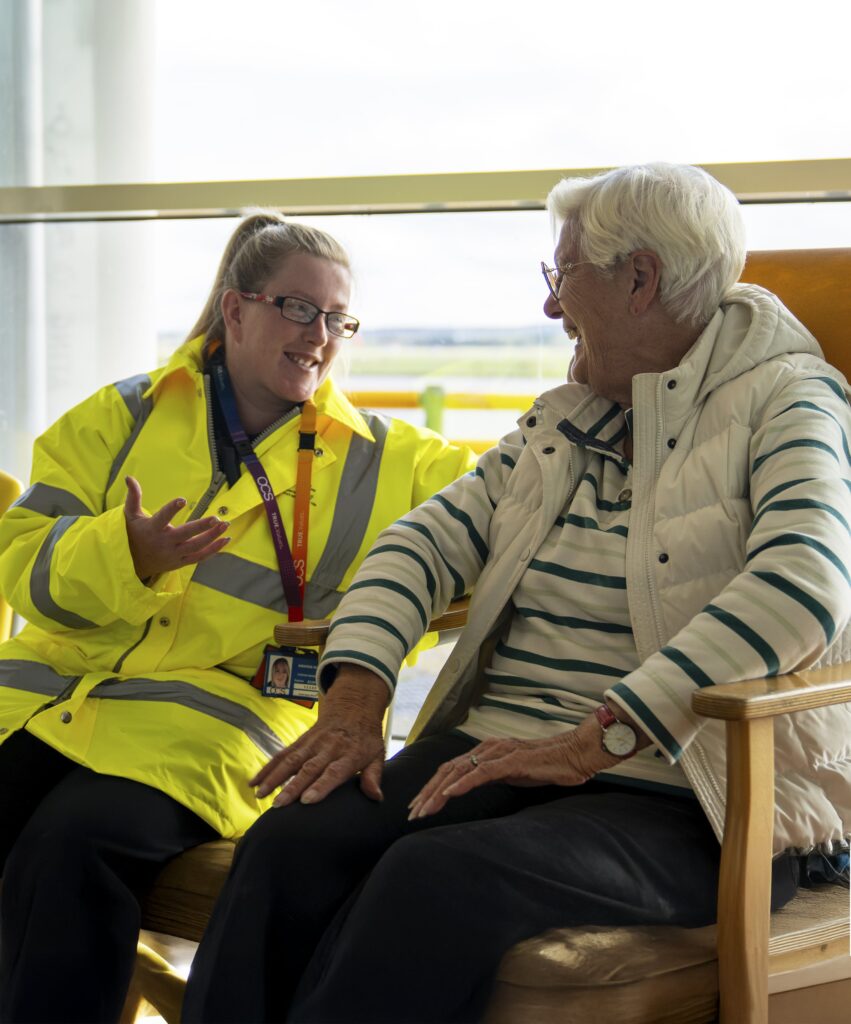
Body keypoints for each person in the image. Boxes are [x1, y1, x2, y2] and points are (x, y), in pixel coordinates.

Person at [182, 165, 851, 1024]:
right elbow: (418, 543)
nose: (548, 306)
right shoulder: (567, 416)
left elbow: (804, 581)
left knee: (433, 880)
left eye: (561, 274)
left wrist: (597, 737)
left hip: (691, 791)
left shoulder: (789, 401)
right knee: (292, 844)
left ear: (638, 280)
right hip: (508, 752)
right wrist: (356, 693)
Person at [0, 211, 476, 1022]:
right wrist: (126, 556)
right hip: (43, 705)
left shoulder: (392, 460)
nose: (320, 335)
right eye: (298, 309)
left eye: (337, 318)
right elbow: (23, 565)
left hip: (217, 729)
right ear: (236, 310)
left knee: (71, 847)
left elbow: (520, 489)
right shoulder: (120, 416)